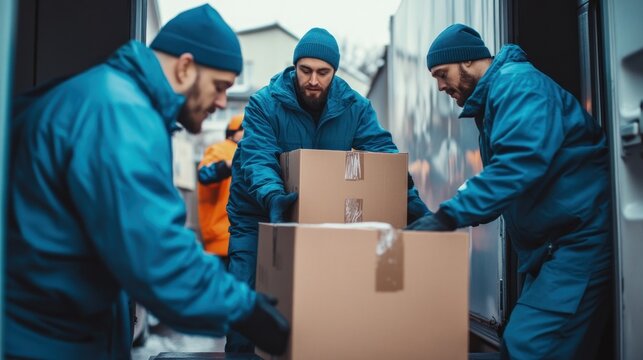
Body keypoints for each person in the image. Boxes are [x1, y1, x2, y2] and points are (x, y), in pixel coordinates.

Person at [5, 5, 289, 359]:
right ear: (185, 67)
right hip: (44, 339)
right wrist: (247, 311)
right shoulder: (121, 112)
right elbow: (157, 251)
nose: (220, 102)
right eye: (219, 87)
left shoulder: (110, 97)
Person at [407, 24, 612, 359]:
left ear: (469, 62)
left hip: (577, 244)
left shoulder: (519, 87)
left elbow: (517, 166)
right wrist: (445, 216)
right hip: (551, 249)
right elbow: (509, 176)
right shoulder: (500, 96)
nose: (441, 86)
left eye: (442, 74)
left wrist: (449, 216)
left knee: (527, 349)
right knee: (523, 346)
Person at [225, 27, 429, 352]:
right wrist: (274, 196)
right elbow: (258, 156)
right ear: (295, 67)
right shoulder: (265, 103)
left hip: (315, 219)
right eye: (305, 70)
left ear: (334, 71)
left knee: (314, 309)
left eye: (323, 72)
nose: (313, 81)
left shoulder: (354, 107)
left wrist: (411, 203)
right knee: (245, 302)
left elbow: (382, 157)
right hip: (259, 215)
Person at [197, 114, 244, 261]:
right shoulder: (220, 149)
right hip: (221, 239)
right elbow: (205, 174)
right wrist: (230, 164)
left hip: (243, 238)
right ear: (234, 132)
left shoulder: (254, 153)